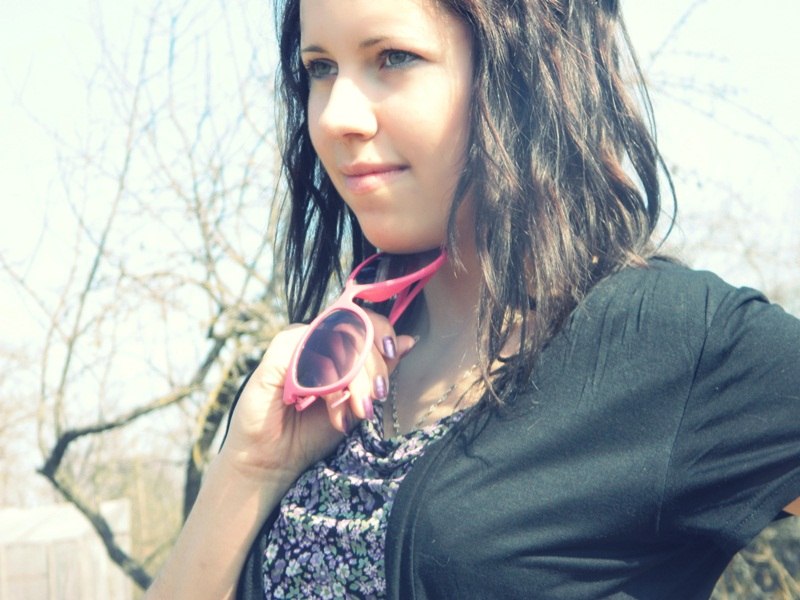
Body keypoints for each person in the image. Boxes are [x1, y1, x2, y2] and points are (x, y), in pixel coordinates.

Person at [145, 0, 800, 598]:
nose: (336, 115)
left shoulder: (672, 341)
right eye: (320, 67)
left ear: (526, 64)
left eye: (393, 57)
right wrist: (250, 466)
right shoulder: (316, 381)